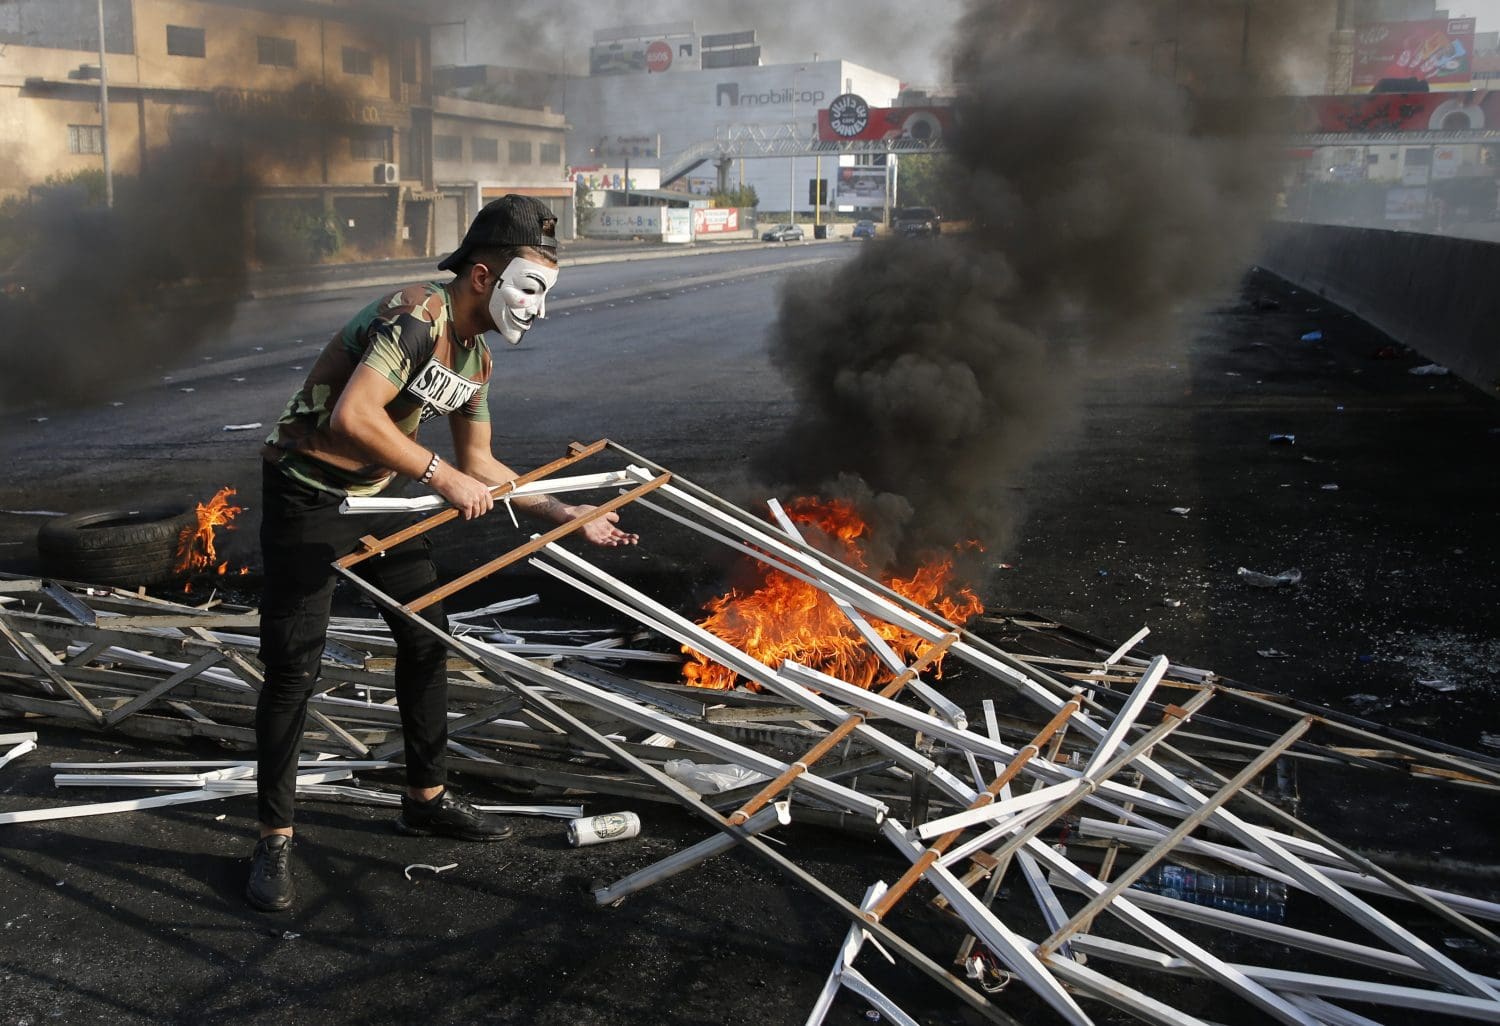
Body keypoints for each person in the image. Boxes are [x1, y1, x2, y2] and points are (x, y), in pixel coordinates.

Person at [247, 195, 637, 913]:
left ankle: (425, 797)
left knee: (427, 637)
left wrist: (562, 510)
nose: (539, 311)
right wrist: (438, 475)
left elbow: (480, 462)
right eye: (531, 288)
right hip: (307, 492)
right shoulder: (417, 312)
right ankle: (274, 836)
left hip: (382, 501)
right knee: (294, 666)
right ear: (485, 277)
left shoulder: (477, 358)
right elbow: (353, 416)